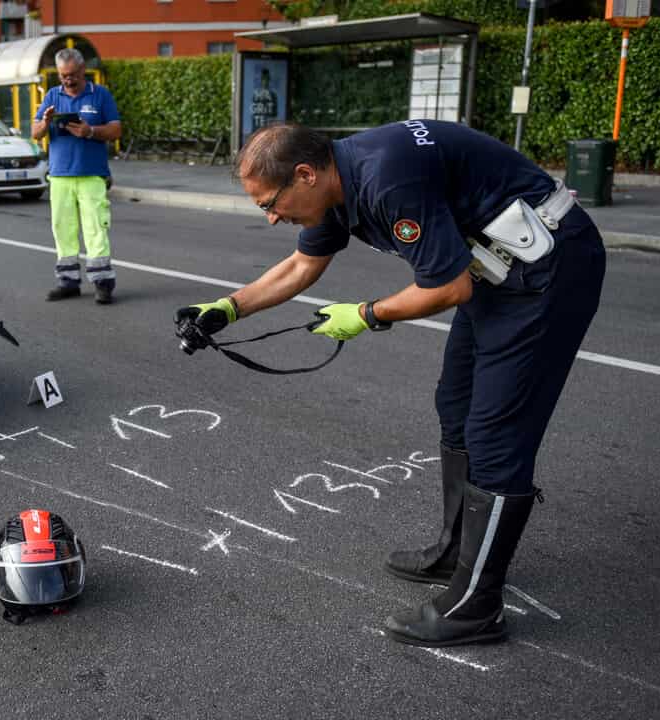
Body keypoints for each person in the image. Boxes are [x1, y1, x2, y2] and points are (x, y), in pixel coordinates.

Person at [176, 120, 605, 647]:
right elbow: (301, 265)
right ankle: (454, 552)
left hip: (548, 269)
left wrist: (366, 314)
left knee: (496, 433)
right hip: (495, 268)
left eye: (270, 202)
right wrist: (226, 309)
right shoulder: (334, 184)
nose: (270, 218)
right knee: (456, 404)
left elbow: (445, 288)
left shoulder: (385, 180)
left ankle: (477, 607)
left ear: (305, 175)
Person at [31, 48, 122, 304]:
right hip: (59, 175)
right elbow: (35, 132)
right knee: (63, 230)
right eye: (62, 76)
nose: (67, 80)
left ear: (83, 70)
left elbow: (116, 130)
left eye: (71, 75)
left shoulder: (100, 95)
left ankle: (103, 283)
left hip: (92, 174)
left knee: (96, 229)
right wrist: (45, 123)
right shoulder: (52, 95)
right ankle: (68, 281)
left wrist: (90, 131)